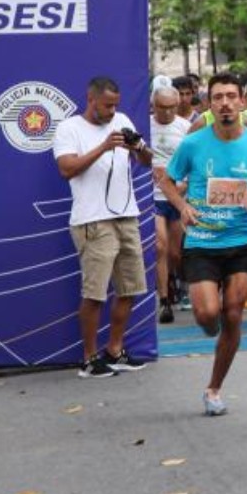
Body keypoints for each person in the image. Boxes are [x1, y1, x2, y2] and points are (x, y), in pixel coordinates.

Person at [158, 73, 247, 415]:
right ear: (209, 104)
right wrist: (182, 207)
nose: (225, 103)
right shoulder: (195, 143)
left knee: (234, 313)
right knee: (208, 315)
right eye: (217, 97)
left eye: (230, 96)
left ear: (242, 101)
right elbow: (166, 179)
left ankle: (213, 389)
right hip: (203, 240)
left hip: (242, 240)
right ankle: (214, 327)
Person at [54, 76, 153, 378]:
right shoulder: (69, 128)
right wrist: (103, 146)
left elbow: (148, 162)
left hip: (127, 216)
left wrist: (137, 147)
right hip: (92, 220)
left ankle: (115, 350)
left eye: (115, 106)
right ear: (91, 99)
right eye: (107, 106)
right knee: (95, 293)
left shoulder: (121, 119)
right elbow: (66, 170)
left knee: (130, 288)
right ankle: (88, 358)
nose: (112, 112)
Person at [149, 86, 191, 324]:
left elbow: (193, 162)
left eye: (171, 108)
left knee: (176, 252)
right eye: (161, 107)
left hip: (177, 196)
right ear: (153, 105)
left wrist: (184, 184)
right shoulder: (144, 125)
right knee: (159, 246)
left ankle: (175, 280)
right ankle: (164, 300)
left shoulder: (185, 128)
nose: (166, 113)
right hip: (153, 196)